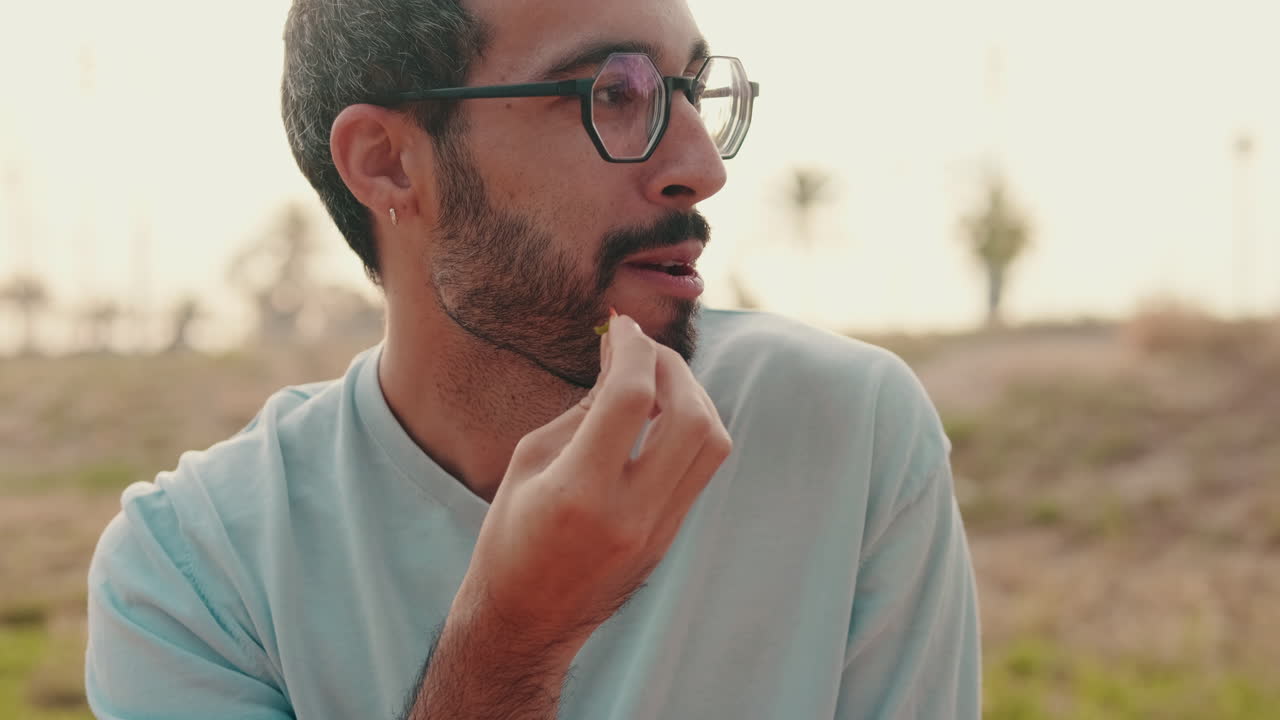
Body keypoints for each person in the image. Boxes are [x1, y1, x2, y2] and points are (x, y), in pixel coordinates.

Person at [85, 0, 981, 717]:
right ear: (389, 163)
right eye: (612, 92)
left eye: (694, 93)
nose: (701, 168)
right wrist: (514, 639)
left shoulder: (844, 430)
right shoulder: (192, 576)